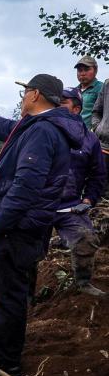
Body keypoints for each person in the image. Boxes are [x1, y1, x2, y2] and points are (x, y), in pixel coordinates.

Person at [0, 74, 84, 376]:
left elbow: (27, 185)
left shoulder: (44, 131)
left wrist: (1, 222)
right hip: (21, 225)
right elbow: (5, 129)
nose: (22, 99)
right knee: (2, 292)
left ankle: (6, 362)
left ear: (35, 94)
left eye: (25, 94)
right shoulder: (38, 127)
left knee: (10, 296)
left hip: (20, 228)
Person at [45, 88, 106, 296]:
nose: (57, 106)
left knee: (87, 238)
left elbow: (98, 175)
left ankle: (82, 283)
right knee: (28, 249)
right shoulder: (44, 131)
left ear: (77, 109)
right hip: (39, 205)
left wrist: (88, 199)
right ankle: (26, 294)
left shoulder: (90, 140)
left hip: (69, 205)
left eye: (63, 103)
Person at [75, 55, 103, 128]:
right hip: (73, 134)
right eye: (80, 70)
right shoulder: (73, 91)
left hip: (92, 135)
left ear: (95, 70)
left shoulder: (102, 88)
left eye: (86, 69)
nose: (83, 73)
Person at [92, 78, 109, 183]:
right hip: (104, 146)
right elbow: (96, 111)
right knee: (99, 188)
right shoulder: (107, 84)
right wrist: (98, 128)